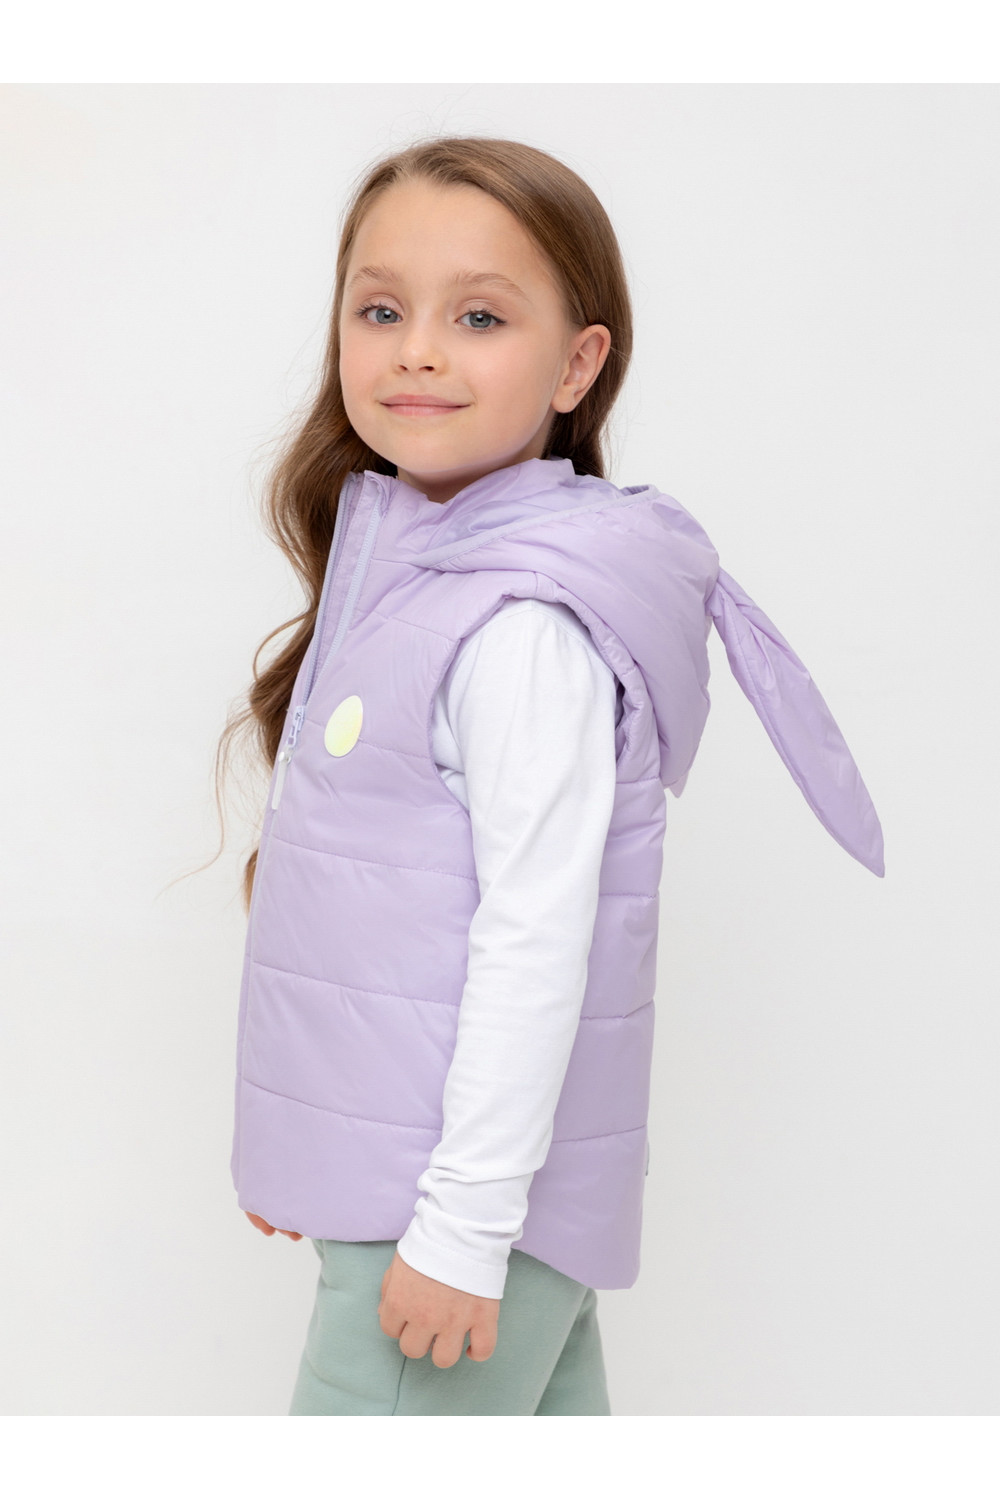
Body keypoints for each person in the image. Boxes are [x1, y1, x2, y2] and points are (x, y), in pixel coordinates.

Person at [218, 136, 885, 1417]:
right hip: (422, 1204)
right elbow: (377, 910)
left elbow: (535, 938)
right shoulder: (412, 577)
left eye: (478, 316)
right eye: (379, 310)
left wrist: (462, 1233)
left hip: (450, 1224)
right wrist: (309, 1144)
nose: (417, 350)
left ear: (577, 365)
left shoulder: (519, 624)